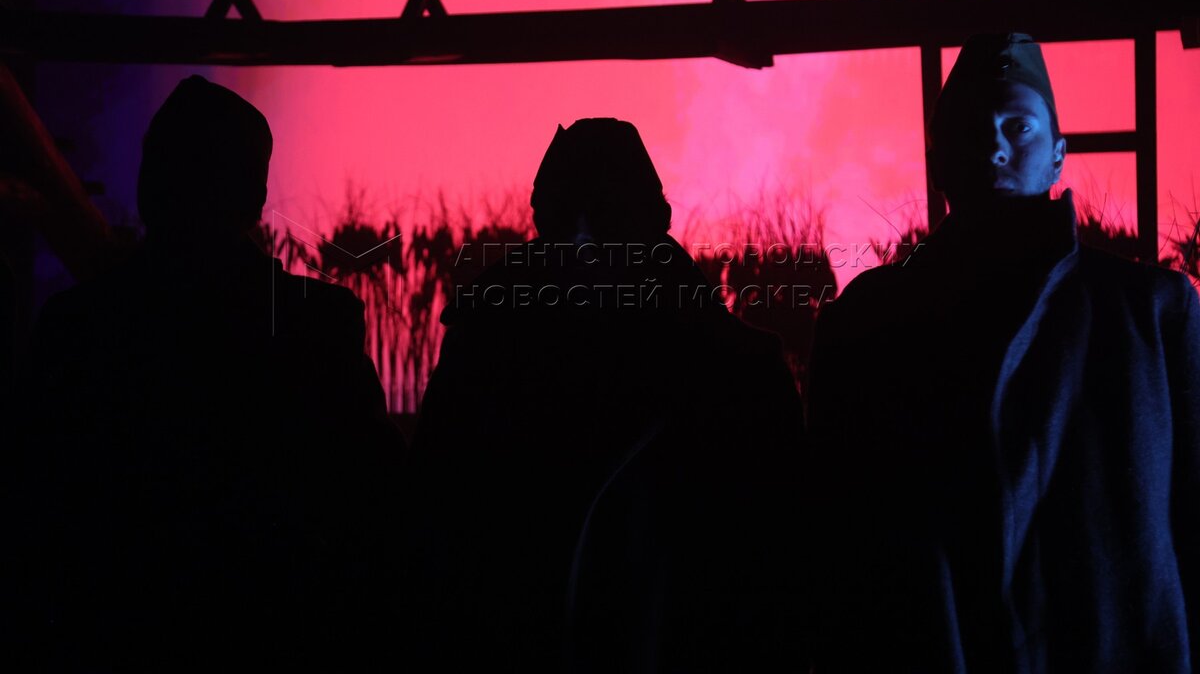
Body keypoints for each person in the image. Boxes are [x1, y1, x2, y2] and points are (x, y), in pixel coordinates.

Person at [806, 32, 1200, 673]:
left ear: (1058, 155)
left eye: (1018, 126)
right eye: (971, 129)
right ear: (939, 159)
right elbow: (834, 542)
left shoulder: (1152, 313)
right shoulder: (865, 323)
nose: (994, 147)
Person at [23, 76, 407, 669]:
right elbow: (376, 502)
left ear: (149, 186)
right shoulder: (320, 324)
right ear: (253, 197)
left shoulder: (75, 326)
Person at [408, 118, 806, 672]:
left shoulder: (738, 374)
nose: (584, 238)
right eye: (565, 216)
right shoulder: (738, 368)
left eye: (606, 214)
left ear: (649, 222)